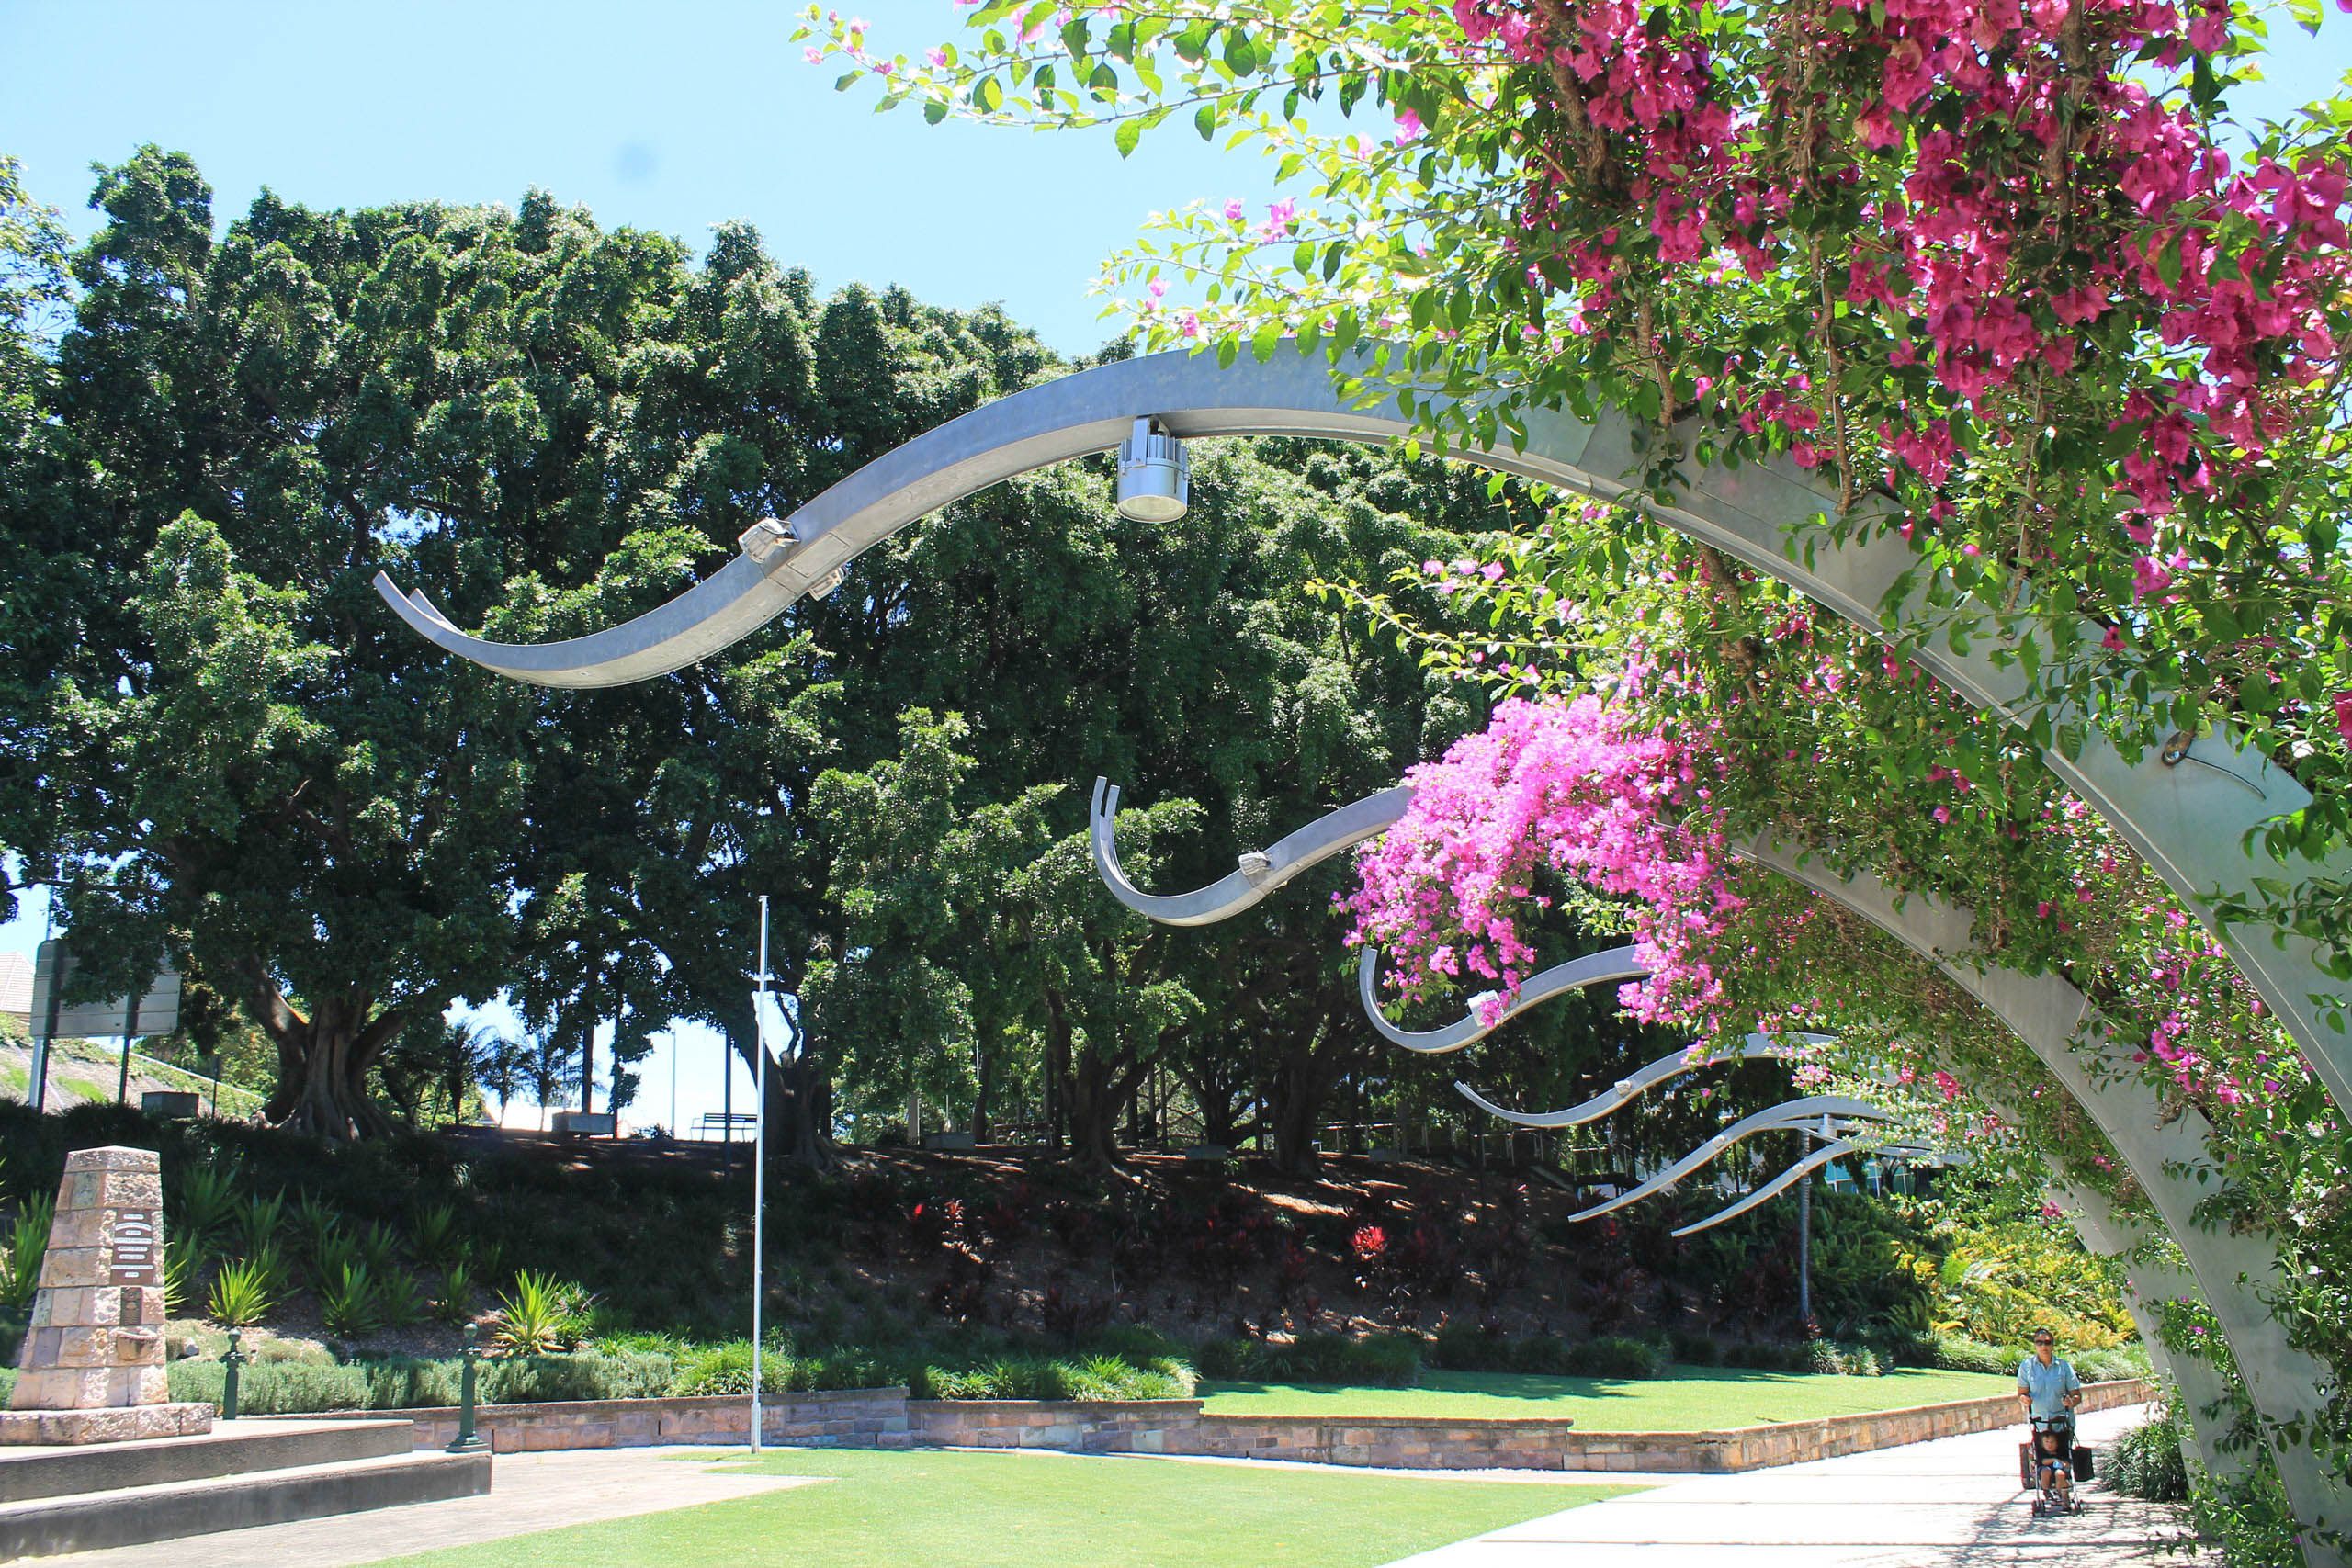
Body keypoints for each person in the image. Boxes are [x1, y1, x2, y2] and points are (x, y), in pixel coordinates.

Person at [2018, 1328, 2083, 1504]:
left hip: (2061, 1423)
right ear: (2034, 1345)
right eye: (2039, 1342)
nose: (2043, 1346)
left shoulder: (2064, 1367)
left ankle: (2064, 1491)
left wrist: (2071, 1401)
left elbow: (2077, 1395)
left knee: (2063, 1457)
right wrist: (2025, 1399)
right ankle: (2047, 1490)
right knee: (2043, 1459)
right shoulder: (2026, 1367)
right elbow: (2022, 1393)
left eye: (2047, 1342)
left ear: (2053, 1345)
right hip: (2040, 1424)